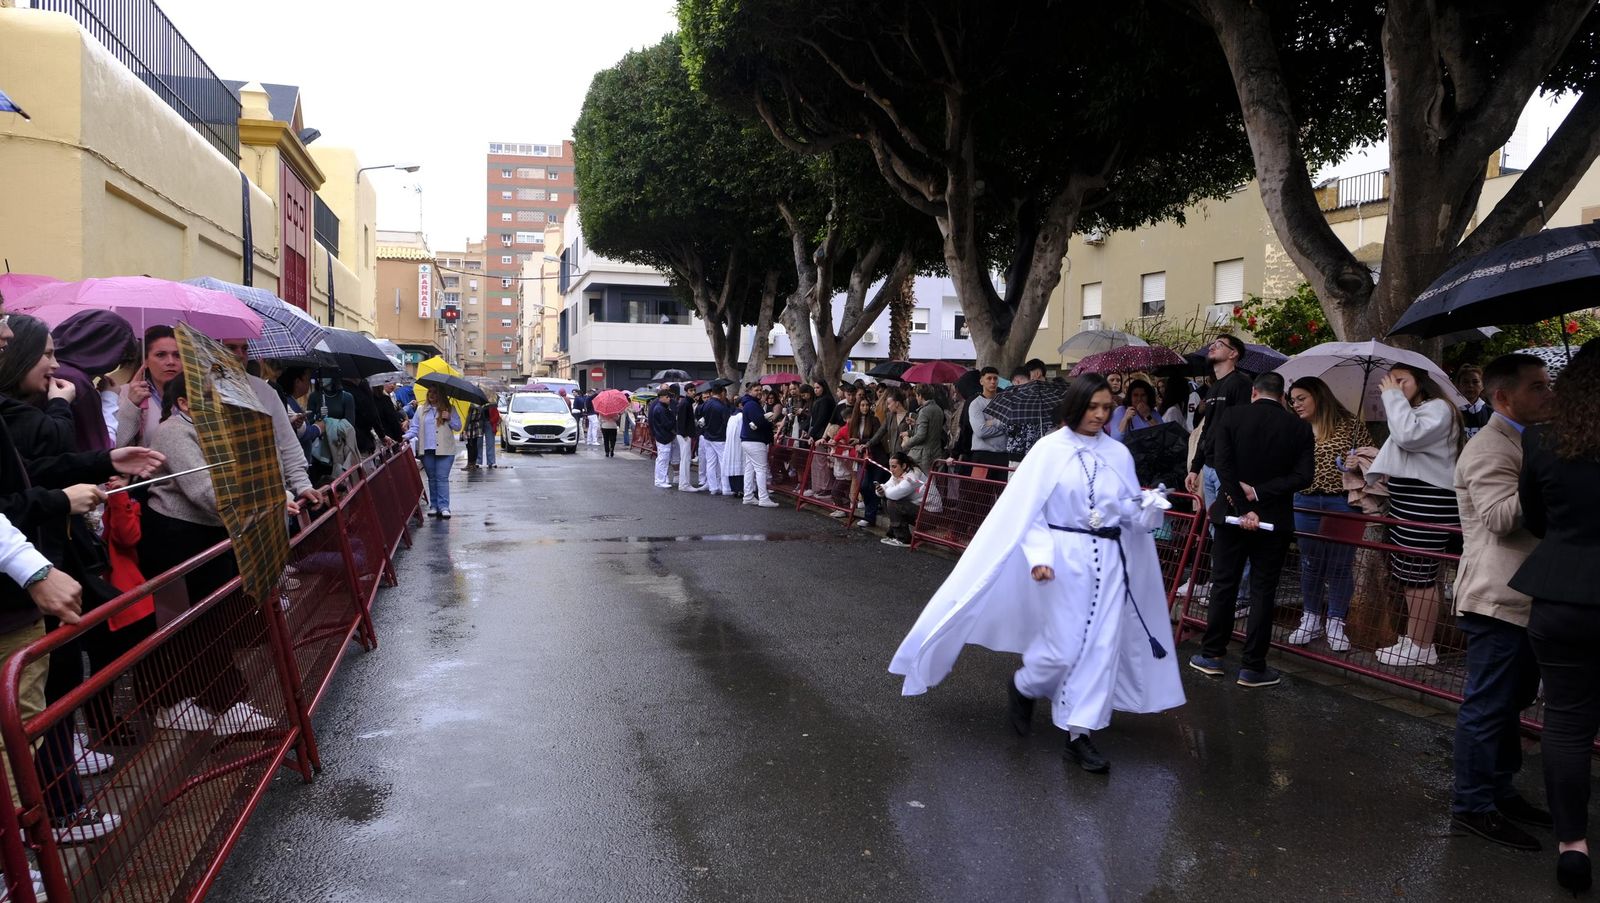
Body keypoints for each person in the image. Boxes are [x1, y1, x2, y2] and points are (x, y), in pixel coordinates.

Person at [890, 374, 1183, 773]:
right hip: (1063, 560)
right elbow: (1029, 513)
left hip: (1109, 561)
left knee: (1100, 647)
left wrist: (1147, 507)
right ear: (1076, 406)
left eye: (1106, 408)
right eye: (1093, 407)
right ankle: (1025, 686)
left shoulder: (1119, 454)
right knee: (1063, 646)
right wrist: (1040, 557)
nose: (1100, 415)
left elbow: (1130, 511)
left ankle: (1079, 733)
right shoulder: (1048, 450)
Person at [1448, 353, 1555, 852]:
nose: (1548, 395)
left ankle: (1500, 791)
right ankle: (1472, 805)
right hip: (1497, 599)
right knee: (1488, 706)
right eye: (1537, 387)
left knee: (1510, 704)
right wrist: (1547, 473)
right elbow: (1498, 518)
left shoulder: (1528, 441)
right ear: (1503, 397)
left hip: (1528, 597)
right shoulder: (1490, 447)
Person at [1509, 339, 1600, 893]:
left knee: (1566, 723)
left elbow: (1536, 516)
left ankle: (1572, 844)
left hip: (1562, 592)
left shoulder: (1543, 439)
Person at [140, 373, 277, 736]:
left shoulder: (209, 429)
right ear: (184, 403)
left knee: (214, 619)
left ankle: (214, 701)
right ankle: (223, 704)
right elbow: (203, 489)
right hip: (179, 535)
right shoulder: (174, 431)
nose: (219, 404)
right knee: (204, 622)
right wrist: (254, 508)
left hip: (206, 531)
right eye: (210, 397)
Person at [1189, 372, 1314, 689]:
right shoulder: (1298, 427)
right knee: (1263, 592)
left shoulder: (1232, 416)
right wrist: (1259, 494)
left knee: (1224, 585)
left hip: (1231, 515)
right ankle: (1253, 666)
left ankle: (1213, 654)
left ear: (1254, 392)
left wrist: (1243, 506)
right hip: (1274, 519)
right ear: (1282, 396)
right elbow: (1303, 476)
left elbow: (1222, 465)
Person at [1369, 363, 1463, 668]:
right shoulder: (1418, 410)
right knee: (1411, 575)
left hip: (1427, 502)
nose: (1394, 387)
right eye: (1390, 382)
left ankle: (1422, 646)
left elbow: (1408, 437)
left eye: (1402, 381)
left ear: (1421, 382)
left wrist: (1392, 398)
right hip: (1411, 501)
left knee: (1418, 578)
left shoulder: (1439, 408)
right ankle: (1414, 640)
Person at [1284, 376, 1372, 651]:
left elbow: (1373, 458)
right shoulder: (1294, 428)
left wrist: (1357, 462)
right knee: (1310, 562)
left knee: (1340, 564)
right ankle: (1310, 617)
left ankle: (1336, 621)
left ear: (1318, 396)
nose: (1296, 405)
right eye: (1293, 400)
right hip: (1304, 500)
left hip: (1341, 502)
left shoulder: (1350, 424)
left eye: (1301, 398)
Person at [115, 325, 184, 447]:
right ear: (145, 360)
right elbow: (117, 445)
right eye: (161, 355)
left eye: (177, 355)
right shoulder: (124, 393)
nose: (171, 362)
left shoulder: (197, 396)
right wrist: (131, 405)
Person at [403, 393, 461, 518]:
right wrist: (404, 437)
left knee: (442, 477)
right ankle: (434, 506)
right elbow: (415, 428)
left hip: (445, 450)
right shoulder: (420, 410)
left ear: (441, 394)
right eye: (430, 392)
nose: (432, 395)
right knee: (432, 478)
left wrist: (449, 418)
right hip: (427, 449)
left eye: (436, 392)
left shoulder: (449, 409)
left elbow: (458, 427)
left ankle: (444, 506)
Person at [876, 452, 929, 547]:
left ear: (903, 465)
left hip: (930, 515)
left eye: (894, 467)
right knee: (886, 500)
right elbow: (887, 486)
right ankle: (894, 535)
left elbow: (894, 494)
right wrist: (880, 490)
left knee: (892, 502)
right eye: (890, 466)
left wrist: (883, 490)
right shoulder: (899, 473)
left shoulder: (913, 476)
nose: (891, 470)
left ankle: (904, 539)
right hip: (918, 510)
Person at [739, 388, 778, 507]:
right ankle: (763, 498)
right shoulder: (752, 404)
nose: (759, 392)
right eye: (756, 390)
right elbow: (759, 421)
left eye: (760, 390)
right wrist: (768, 420)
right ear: (749, 391)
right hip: (755, 440)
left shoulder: (748, 404)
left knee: (750, 469)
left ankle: (748, 496)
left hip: (748, 440)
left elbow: (756, 421)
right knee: (761, 469)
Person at [901, 384, 945, 474]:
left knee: (923, 484)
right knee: (932, 483)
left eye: (916, 395)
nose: (916, 398)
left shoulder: (924, 411)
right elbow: (931, 430)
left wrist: (907, 443)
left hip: (923, 456)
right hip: (936, 452)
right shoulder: (938, 409)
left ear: (920, 396)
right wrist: (910, 431)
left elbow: (921, 435)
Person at [699, 385, 730, 492]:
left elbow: (698, 414)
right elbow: (726, 422)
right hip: (720, 437)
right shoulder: (722, 406)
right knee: (723, 463)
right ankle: (725, 487)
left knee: (710, 463)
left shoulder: (706, 404)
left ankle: (713, 487)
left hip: (708, 436)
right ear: (722, 393)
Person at [674, 388, 704, 492]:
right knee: (685, 459)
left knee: (685, 459)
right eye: (691, 390)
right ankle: (684, 484)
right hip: (684, 435)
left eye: (694, 390)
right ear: (687, 391)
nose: (693, 392)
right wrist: (684, 434)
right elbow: (681, 420)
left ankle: (684, 483)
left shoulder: (686, 403)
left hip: (684, 434)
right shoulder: (685, 403)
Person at [648, 388, 677, 489]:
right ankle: (661, 480)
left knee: (662, 459)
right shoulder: (661, 409)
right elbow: (667, 424)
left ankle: (661, 479)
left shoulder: (659, 407)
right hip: (663, 437)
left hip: (661, 436)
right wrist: (674, 420)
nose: (669, 399)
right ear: (662, 397)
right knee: (663, 459)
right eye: (667, 397)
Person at [1456, 364, 1491, 441]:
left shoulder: (1492, 414)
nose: (1470, 385)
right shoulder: (1451, 412)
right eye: (1465, 382)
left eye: (1475, 382)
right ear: (1458, 385)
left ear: (1482, 385)